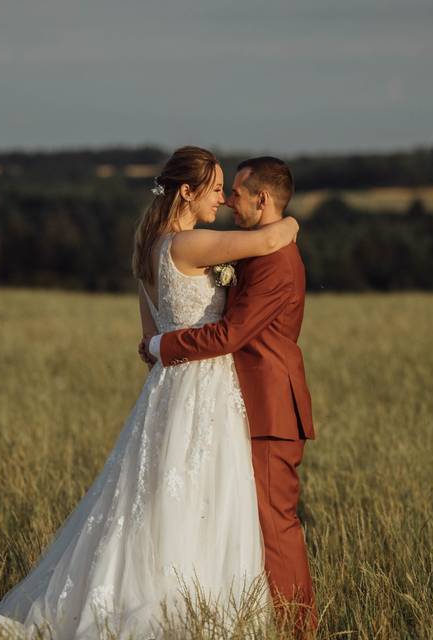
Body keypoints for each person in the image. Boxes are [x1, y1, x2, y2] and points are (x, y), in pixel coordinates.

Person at [0, 146, 299, 640]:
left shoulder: (148, 251)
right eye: (216, 187)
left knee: (156, 500)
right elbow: (268, 242)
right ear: (187, 191)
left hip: (166, 387)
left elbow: (149, 343)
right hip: (203, 386)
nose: (223, 199)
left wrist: (163, 358)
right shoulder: (190, 246)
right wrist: (291, 226)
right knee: (201, 499)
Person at [140, 156, 318, 637]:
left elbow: (231, 332)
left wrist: (159, 345)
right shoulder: (250, 250)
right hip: (237, 402)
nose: (227, 200)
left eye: (234, 192)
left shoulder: (275, 258)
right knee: (247, 521)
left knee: (275, 526)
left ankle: (298, 629)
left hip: (268, 407)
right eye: (220, 190)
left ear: (261, 199)